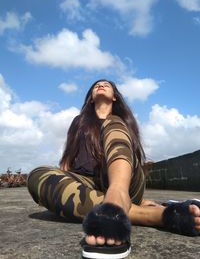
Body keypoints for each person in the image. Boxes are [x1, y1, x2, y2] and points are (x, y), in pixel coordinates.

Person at [27, 79, 200, 259]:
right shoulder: (79, 121)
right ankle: (153, 214)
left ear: (115, 97)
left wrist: (118, 187)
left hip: (124, 180)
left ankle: (118, 196)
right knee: (37, 175)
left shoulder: (121, 120)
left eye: (106, 85)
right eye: (96, 86)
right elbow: (70, 154)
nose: (100, 85)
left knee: (113, 122)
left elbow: (128, 153)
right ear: (91, 98)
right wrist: (61, 177)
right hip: (87, 183)